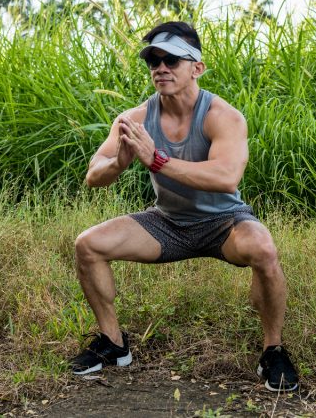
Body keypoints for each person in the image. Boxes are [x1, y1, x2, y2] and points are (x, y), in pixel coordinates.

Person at [70, 21, 299, 392]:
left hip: (224, 223)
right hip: (168, 223)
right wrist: (120, 162)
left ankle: (273, 350)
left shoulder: (222, 116)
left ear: (197, 67)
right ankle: (113, 344)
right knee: (88, 244)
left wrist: (156, 160)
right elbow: (93, 174)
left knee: (264, 248)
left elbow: (226, 177)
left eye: (172, 59)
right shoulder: (135, 119)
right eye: (153, 61)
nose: (161, 67)